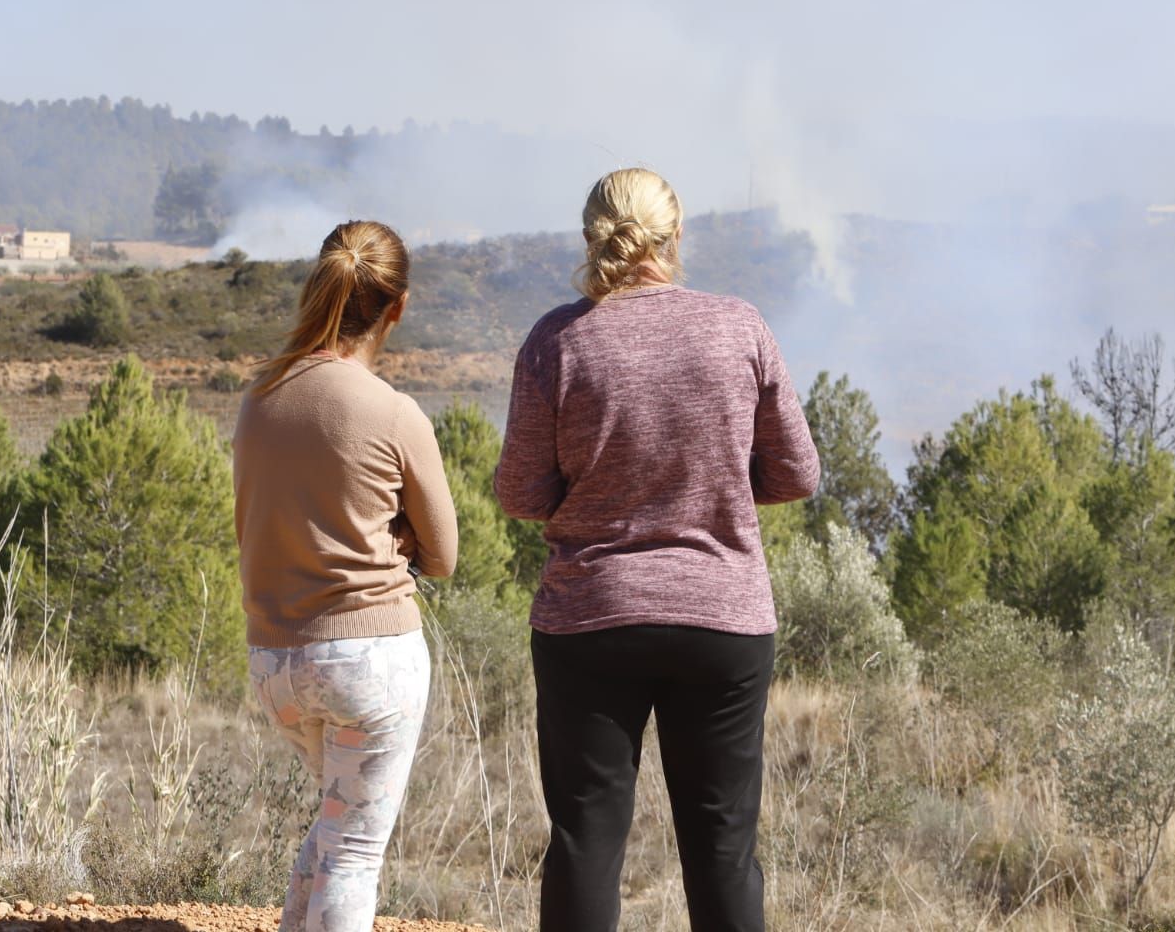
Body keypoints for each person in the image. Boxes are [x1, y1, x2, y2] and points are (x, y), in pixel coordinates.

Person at [494, 168, 821, 932]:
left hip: (592, 618)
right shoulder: (739, 327)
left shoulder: (556, 341)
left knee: (585, 840)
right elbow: (797, 473)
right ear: (677, 238)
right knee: (724, 848)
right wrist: (716, 490)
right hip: (723, 618)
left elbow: (518, 493)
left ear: (589, 238)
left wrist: (597, 496)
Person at [233, 220, 458, 932]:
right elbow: (445, 556)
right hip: (371, 663)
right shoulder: (394, 413)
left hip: (275, 662)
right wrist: (394, 537)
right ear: (398, 307)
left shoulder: (258, 399)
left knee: (333, 830)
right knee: (356, 851)